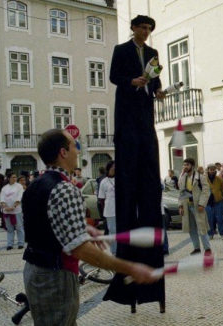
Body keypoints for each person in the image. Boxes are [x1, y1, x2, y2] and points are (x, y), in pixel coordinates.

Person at [22, 129, 160, 325]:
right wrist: (130, 267)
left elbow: (44, 222)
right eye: (74, 146)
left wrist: (82, 227)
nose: (78, 151)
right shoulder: (64, 188)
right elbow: (80, 249)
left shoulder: (36, 184)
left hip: (35, 271)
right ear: (63, 152)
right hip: (55, 277)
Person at [105, 14, 166, 313]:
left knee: (149, 168)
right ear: (133, 29)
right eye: (142, 28)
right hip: (127, 111)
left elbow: (156, 78)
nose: (145, 32)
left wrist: (158, 89)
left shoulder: (153, 53)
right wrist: (132, 81)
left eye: (149, 29)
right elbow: (114, 76)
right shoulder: (122, 50)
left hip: (145, 113)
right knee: (130, 175)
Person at [178, 158, 211, 255]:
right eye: (184, 165)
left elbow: (206, 192)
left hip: (197, 206)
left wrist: (202, 204)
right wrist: (180, 206)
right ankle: (196, 247)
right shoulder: (183, 178)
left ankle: (207, 248)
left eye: (187, 165)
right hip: (187, 206)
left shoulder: (200, 177)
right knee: (191, 228)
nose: (185, 167)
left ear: (192, 166)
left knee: (202, 227)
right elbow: (181, 192)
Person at [0, 172, 25, 250]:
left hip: (16, 210)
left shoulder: (19, 186)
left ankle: (21, 243)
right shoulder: (5, 188)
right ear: (9, 178)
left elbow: (19, 197)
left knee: (19, 227)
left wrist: (14, 206)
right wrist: (5, 206)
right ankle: (10, 244)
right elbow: (2, 198)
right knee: (9, 228)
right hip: (7, 211)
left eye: (15, 177)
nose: (14, 179)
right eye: (13, 177)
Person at [98, 161, 117, 254]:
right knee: (112, 231)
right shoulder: (104, 182)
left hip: (120, 210)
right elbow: (101, 198)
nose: (114, 169)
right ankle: (114, 250)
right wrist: (105, 209)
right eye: (112, 167)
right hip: (110, 210)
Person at [206, 164, 223, 240]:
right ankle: (210, 234)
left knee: (220, 218)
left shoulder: (219, 179)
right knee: (209, 218)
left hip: (218, 201)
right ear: (208, 170)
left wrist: (221, 196)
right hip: (208, 202)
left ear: (215, 170)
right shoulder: (204, 179)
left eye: (213, 169)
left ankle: (222, 233)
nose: (212, 171)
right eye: (210, 169)